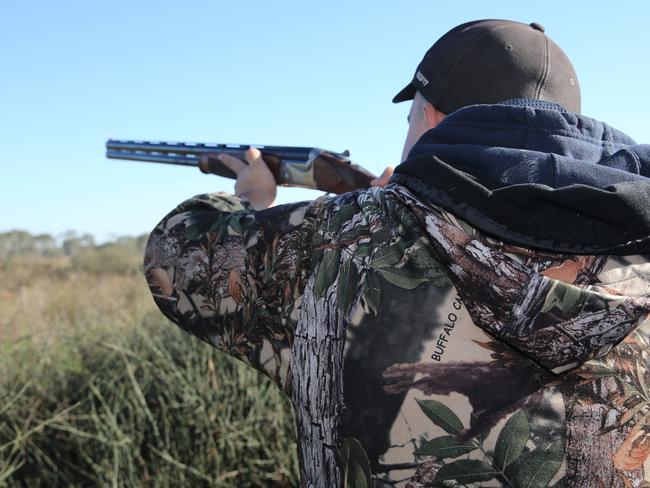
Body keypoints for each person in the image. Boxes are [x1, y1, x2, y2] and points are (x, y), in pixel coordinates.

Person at [144, 19, 650, 487]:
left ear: (431, 117)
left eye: (410, 118)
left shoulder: (344, 238)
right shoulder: (638, 243)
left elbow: (173, 254)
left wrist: (250, 196)